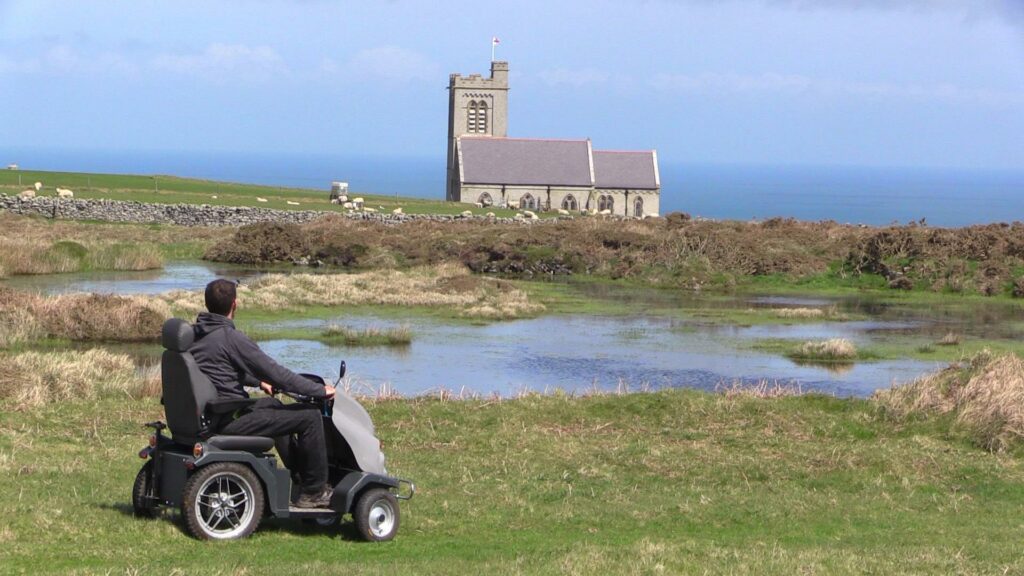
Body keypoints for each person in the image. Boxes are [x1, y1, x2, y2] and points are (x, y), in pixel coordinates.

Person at [189, 279, 335, 508]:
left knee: (273, 406)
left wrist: (258, 382)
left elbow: (218, 369)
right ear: (235, 305)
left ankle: (299, 477)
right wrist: (319, 391)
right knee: (309, 417)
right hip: (225, 420)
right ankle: (314, 492)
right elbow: (277, 373)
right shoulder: (231, 338)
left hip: (210, 415)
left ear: (207, 304)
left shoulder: (195, 334)